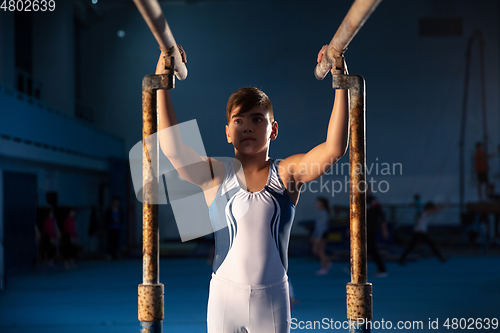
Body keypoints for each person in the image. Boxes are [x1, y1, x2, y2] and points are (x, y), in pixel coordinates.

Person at [156, 44, 348, 333]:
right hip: (224, 298)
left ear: (273, 130)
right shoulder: (215, 175)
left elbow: (334, 149)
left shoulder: (287, 173)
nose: (247, 127)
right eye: (239, 120)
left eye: (257, 119)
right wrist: (162, 85)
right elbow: (172, 148)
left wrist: (341, 84)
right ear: (227, 132)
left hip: (271, 299)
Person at [366, 188, 389, 277]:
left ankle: (382, 269)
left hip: (371, 228)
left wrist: (384, 229)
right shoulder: (359, 200)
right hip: (363, 228)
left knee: (371, 248)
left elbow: (381, 215)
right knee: (368, 248)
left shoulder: (373, 201)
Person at [311, 197, 332, 275]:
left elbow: (322, 227)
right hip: (319, 234)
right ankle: (327, 262)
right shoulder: (320, 212)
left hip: (323, 234)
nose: (316, 204)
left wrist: (319, 237)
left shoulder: (324, 213)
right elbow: (317, 226)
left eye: (318, 203)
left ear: (322, 204)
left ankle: (324, 267)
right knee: (316, 250)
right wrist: (314, 235)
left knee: (320, 251)